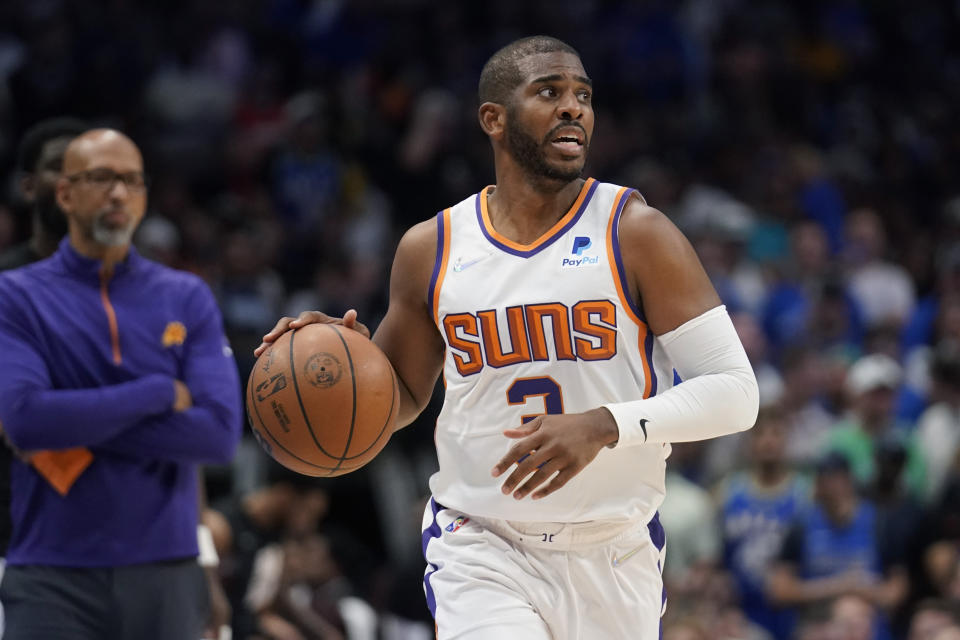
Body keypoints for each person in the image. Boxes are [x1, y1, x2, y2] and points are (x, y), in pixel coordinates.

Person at [256, 36, 759, 639]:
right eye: (549, 92)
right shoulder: (433, 248)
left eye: (583, 96)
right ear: (493, 119)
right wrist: (332, 365)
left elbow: (735, 394)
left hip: (614, 549)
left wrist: (604, 424)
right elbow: (398, 397)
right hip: (482, 544)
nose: (573, 107)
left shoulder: (636, 232)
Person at [0, 128, 242, 639]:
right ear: (63, 193)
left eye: (132, 181)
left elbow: (218, 434)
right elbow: (25, 420)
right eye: (102, 178)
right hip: (52, 573)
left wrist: (72, 415)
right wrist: (155, 393)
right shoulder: (15, 296)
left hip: (168, 570)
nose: (118, 194)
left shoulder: (187, 296)